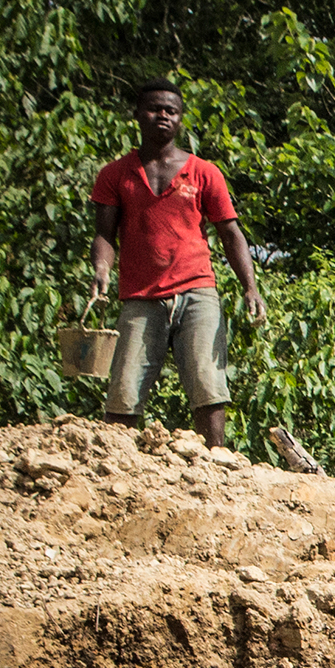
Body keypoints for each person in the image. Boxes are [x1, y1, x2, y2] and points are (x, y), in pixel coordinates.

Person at [89, 80, 264, 450]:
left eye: (171, 111)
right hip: (140, 296)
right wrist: (101, 270)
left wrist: (250, 286)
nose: (163, 116)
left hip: (197, 290)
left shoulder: (204, 172)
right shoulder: (115, 174)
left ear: (180, 119)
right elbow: (104, 233)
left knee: (208, 386)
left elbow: (231, 234)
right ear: (137, 115)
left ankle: (216, 465)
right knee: (124, 390)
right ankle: (115, 468)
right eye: (154, 109)